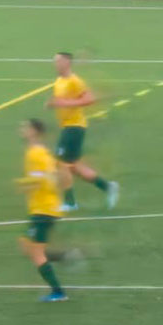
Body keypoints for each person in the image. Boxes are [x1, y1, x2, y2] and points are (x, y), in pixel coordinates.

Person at [47, 51, 119, 211]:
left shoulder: (75, 81)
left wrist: (63, 103)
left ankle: (70, 203)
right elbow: (61, 101)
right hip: (68, 126)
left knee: (61, 164)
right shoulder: (59, 81)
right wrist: (54, 104)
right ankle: (108, 187)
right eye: (54, 62)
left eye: (58, 61)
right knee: (74, 167)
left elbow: (90, 99)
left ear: (67, 63)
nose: (55, 64)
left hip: (74, 126)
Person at [14, 119, 67, 302]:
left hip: (42, 208)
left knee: (35, 252)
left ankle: (58, 292)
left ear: (34, 132)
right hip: (46, 207)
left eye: (25, 127)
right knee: (25, 244)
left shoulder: (35, 153)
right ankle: (66, 257)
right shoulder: (42, 152)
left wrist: (23, 184)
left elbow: (40, 180)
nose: (22, 129)